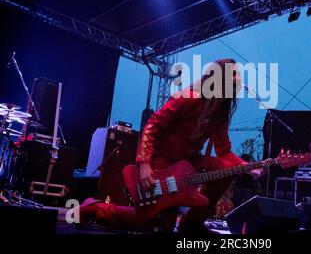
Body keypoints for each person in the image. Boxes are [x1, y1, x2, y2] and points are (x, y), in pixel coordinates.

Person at [78, 58, 249, 233]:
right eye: (234, 74)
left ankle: (192, 225)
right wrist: (144, 164)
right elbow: (153, 124)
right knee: (155, 225)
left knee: (226, 169)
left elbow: (224, 150)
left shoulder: (218, 111)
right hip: (163, 160)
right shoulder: (190, 96)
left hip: (188, 161)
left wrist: (248, 167)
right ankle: (95, 209)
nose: (238, 79)